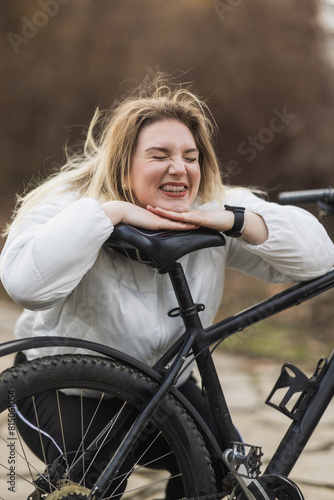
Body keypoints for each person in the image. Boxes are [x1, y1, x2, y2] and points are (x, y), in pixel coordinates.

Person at [1, 75, 334, 498]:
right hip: (68, 390)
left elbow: (320, 257)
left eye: (190, 157)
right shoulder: (71, 204)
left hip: (166, 386)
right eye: (159, 155)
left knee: (217, 470)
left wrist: (233, 220)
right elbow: (25, 286)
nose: (179, 168)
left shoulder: (209, 206)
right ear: (125, 163)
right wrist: (109, 215)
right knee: (101, 470)